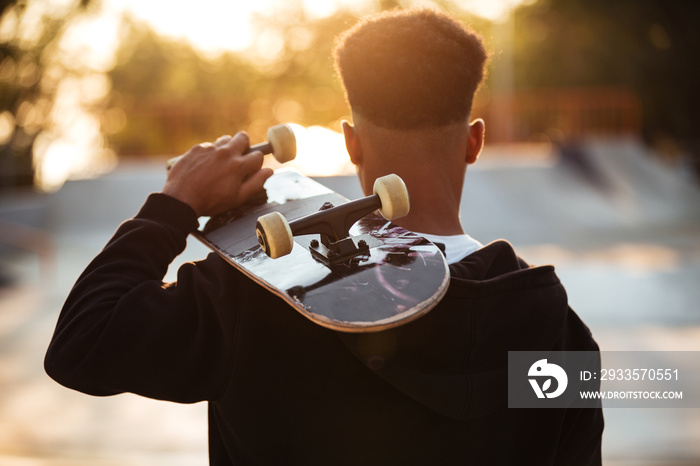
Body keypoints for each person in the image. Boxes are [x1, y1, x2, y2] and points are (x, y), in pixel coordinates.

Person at [45, 7, 604, 465]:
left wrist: (171, 207)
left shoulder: (258, 295)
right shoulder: (557, 336)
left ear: (351, 143)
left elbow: (82, 347)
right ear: (475, 142)